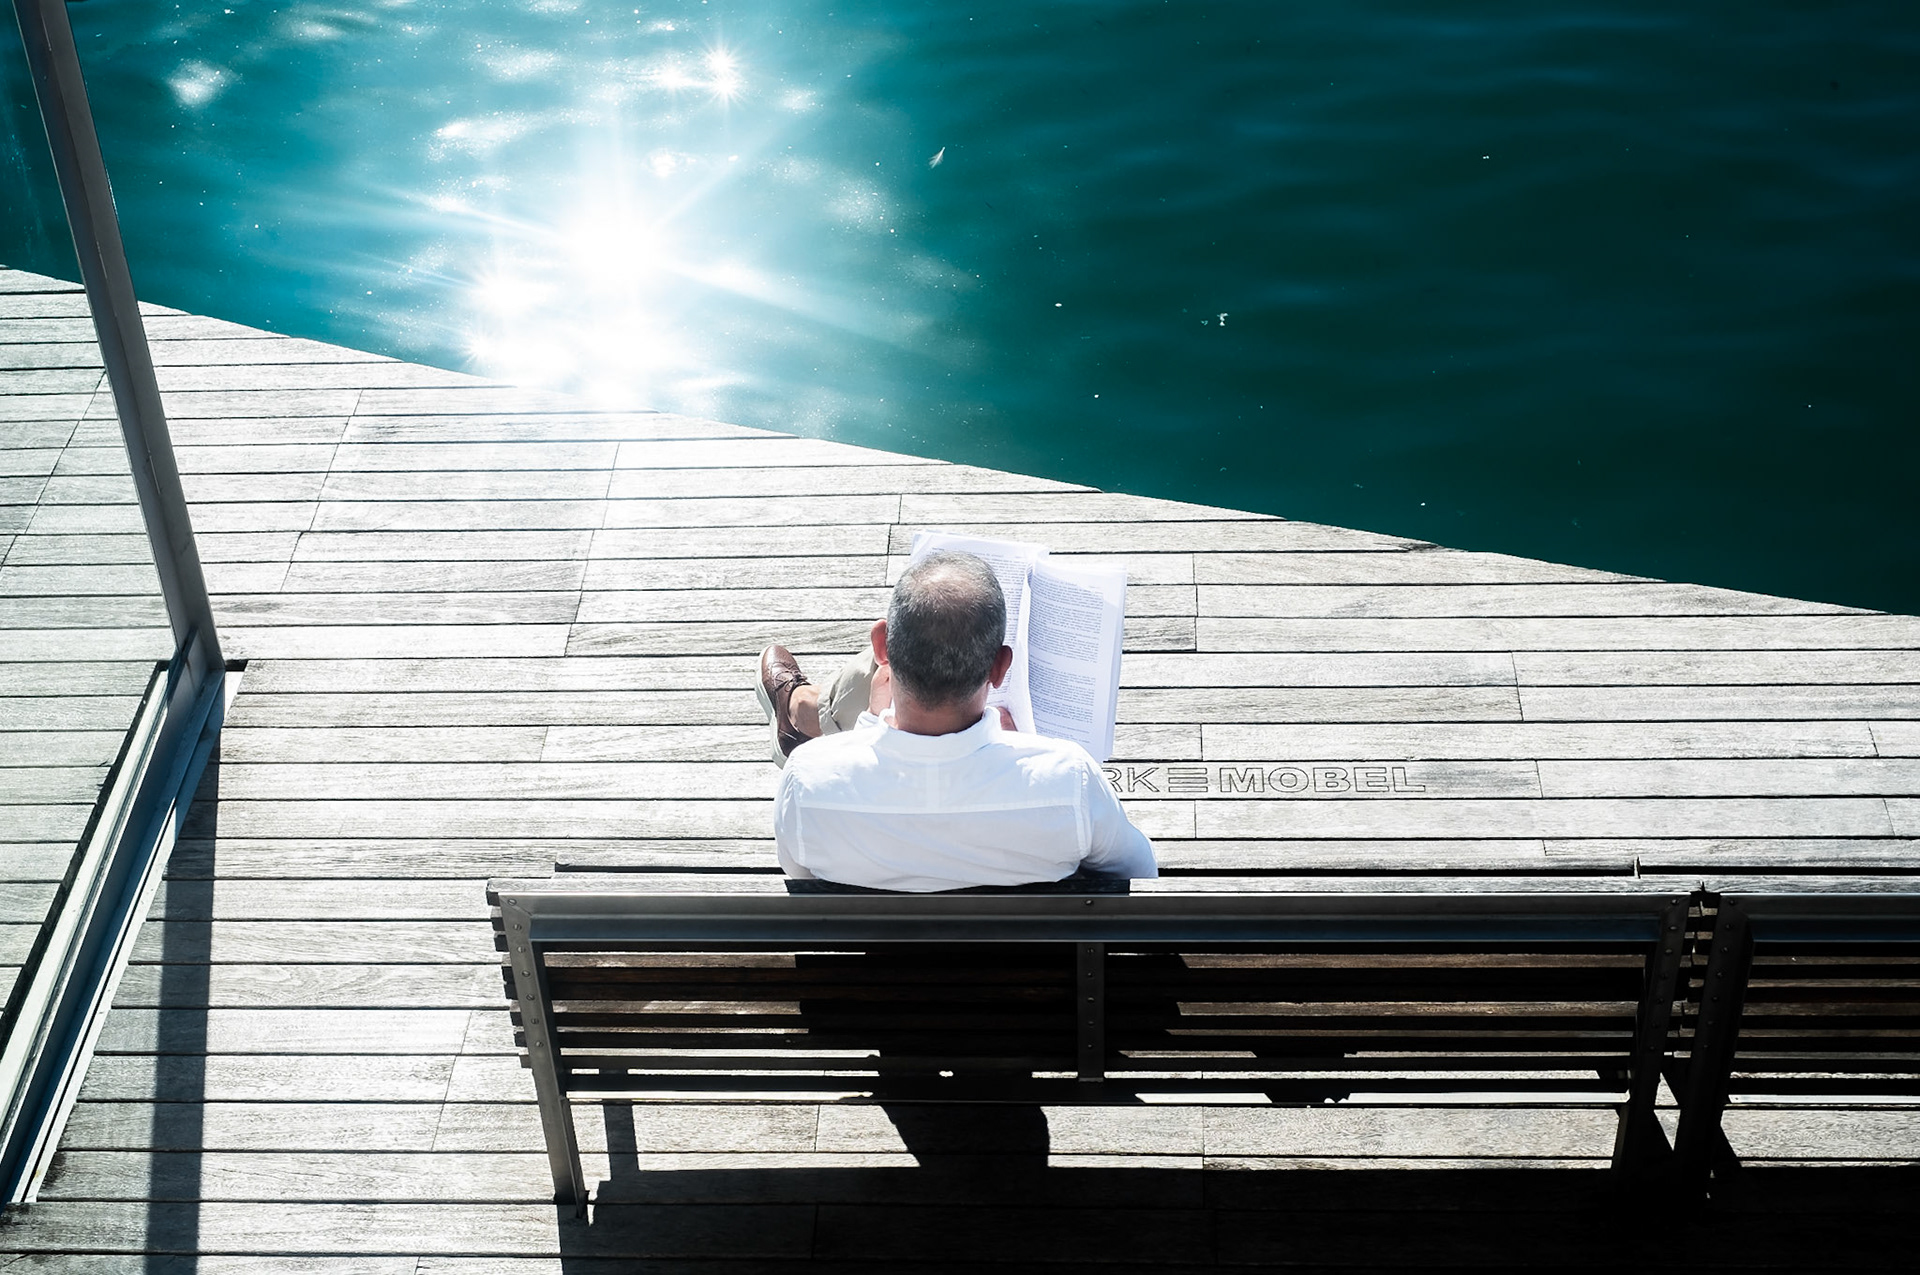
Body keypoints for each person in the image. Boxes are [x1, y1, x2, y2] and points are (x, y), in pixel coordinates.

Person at [755, 551, 1157, 892]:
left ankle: (800, 708)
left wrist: (870, 726)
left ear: (881, 647)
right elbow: (1138, 875)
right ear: (1000, 668)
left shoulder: (806, 779)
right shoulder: (1069, 779)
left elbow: (802, 875)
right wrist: (1021, 753)